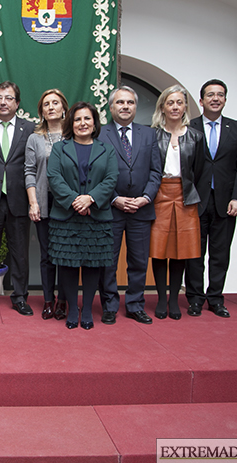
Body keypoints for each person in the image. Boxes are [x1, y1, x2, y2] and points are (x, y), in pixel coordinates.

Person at [46, 101, 118, 329]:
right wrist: (75, 200)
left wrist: (91, 198)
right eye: (77, 119)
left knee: (92, 264)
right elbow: (54, 177)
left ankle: (87, 309)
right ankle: (72, 309)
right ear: (71, 123)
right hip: (66, 216)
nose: (82, 123)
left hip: (96, 216)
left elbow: (111, 179)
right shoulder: (60, 148)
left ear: (95, 122)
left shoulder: (107, 149)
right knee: (67, 264)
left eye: (87, 118)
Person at [185, 80, 237, 319]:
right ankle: (194, 298)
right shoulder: (189, 127)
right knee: (194, 254)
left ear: (225, 100)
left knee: (220, 253)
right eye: (210, 95)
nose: (215, 98)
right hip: (195, 201)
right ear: (201, 101)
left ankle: (215, 299)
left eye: (220, 95)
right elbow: (184, 167)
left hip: (226, 201)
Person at [98, 86, 162, 325]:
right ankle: (110, 305)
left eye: (130, 103)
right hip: (110, 208)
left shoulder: (148, 134)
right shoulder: (100, 134)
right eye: (120, 102)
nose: (125, 106)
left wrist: (146, 197)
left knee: (138, 261)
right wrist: (114, 198)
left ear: (135, 107)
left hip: (141, 209)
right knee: (109, 261)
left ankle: (135, 304)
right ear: (111, 107)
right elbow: (96, 172)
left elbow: (156, 171)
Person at [0, 81, 36, 317]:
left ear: (17, 103)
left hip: (19, 199)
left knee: (20, 252)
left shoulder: (30, 129)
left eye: (9, 98)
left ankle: (20, 297)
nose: (3, 102)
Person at [149, 85, 205, 320]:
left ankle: (174, 299)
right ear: (162, 106)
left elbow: (200, 172)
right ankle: (161, 298)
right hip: (159, 194)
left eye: (179, 102)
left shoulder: (195, 136)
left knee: (181, 251)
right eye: (170, 102)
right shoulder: (152, 134)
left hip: (186, 196)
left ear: (185, 107)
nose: (175, 106)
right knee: (159, 250)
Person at [24, 88, 69, 320]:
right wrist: (33, 203)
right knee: (47, 255)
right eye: (46, 104)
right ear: (41, 110)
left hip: (69, 204)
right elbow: (30, 172)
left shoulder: (73, 135)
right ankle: (49, 300)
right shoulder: (34, 137)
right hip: (44, 200)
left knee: (66, 254)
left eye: (55, 103)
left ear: (64, 108)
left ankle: (64, 300)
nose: (51, 107)